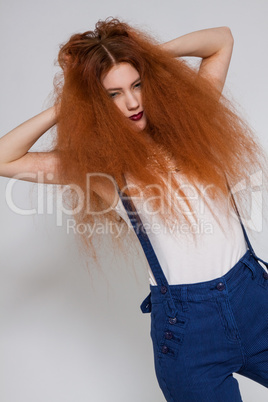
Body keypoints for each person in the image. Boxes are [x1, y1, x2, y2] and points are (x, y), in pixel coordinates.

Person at [1, 17, 268, 401]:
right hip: (189, 332)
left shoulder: (192, 124)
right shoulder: (102, 172)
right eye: (112, 94)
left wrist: (150, 58)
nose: (131, 102)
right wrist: (70, 105)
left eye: (137, 84)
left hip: (253, 298)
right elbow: (4, 158)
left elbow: (221, 40)